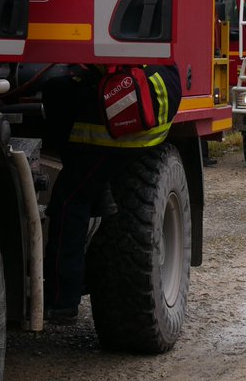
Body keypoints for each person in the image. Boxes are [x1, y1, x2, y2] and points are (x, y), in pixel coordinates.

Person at [41, 63, 182, 323]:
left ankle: (63, 301)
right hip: (143, 132)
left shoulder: (112, 63)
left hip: (113, 135)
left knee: (70, 199)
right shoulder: (160, 63)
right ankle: (100, 189)